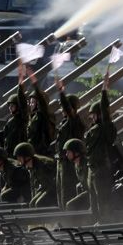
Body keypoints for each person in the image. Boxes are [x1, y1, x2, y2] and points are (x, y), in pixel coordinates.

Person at [84, 71, 115, 221]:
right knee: (93, 200)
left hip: (101, 169)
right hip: (93, 168)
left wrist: (104, 89)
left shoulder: (106, 127)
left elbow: (105, 110)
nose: (92, 117)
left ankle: (104, 223)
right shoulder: (94, 129)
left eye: (95, 114)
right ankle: (95, 221)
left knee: (103, 200)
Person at [54, 78, 85, 208]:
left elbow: (68, 109)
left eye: (64, 107)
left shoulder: (75, 122)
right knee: (60, 191)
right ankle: (62, 218)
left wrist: (61, 92)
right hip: (62, 161)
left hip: (69, 162)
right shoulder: (66, 122)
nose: (62, 109)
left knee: (67, 192)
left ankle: (68, 220)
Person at [14, 142, 56, 208]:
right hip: (45, 188)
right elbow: (34, 185)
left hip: (53, 191)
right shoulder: (30, 165)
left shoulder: (44, 165)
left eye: (19, 157)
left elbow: (53, 185)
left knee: (39, 203)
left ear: (26, 156)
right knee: (32, 204)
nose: (18, 160)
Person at [26, 69, 57, 155]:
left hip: (41, 151)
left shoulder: (42, 116)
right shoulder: (35, 116)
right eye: (30, 102)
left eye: (33, 102)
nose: (31, 105)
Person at [1, 69, 29, 156]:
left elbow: (23, 103)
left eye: (12, 106)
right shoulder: (10, 120)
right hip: (9, 151)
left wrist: (20, 86)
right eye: (9, 106)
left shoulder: (23, 118)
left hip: (19, 152)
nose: (10, 108)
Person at [62, 138, 89, 209]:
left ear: (76, 152)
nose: (66, 154)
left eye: (68, 152)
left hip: (92, 193)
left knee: (70, 205)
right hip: (86, 191)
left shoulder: (87, 163)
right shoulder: (76, 164)